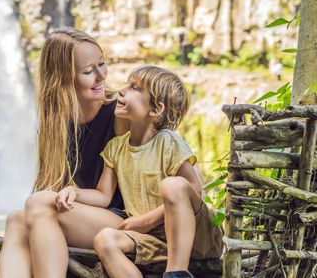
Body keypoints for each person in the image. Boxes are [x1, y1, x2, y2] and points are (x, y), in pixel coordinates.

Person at [0, 27, 153, 278]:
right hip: (91, 217)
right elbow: (55, 187)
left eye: (102, 64)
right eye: (88, 71)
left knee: (37, 202)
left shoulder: (120, 115)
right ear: (63, 79)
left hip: (127, 223)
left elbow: (167, 163)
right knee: (16, 220)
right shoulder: (55, 123)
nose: (101, 76)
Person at [55, 66, 223, 278]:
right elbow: (103, 195)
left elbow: (194, 191)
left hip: (199, 239)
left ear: (156, 109)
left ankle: (176, 273)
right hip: (156, 240)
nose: (121, 91)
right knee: (105, 239)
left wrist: (148, 220)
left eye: (134, 88)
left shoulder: (168, 141)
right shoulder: (116, 148)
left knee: (173, 185)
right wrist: (74, 191)